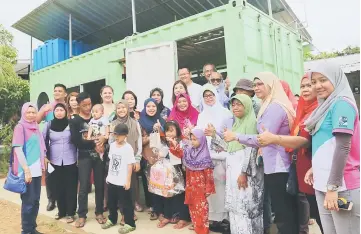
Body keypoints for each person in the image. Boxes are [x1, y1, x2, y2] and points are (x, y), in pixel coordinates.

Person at [259, 63, 360, 234]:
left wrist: (333, 187)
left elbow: (343, 147)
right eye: (314, 82)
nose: (317, 86)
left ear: (336, 79)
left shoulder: (341, 105)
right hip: (323, 182)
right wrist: (316, 167)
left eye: (323, 80)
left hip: (341, 185)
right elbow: (327, 145)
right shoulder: (324, 108)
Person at [223, 72, 298, 234]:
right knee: (282, 211)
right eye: (255, 84)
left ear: (271, 85)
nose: (256, 88)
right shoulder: (268, 105)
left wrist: (236, 136)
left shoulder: (275, 107)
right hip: (272, 165)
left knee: (284, 213)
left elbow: (264, 138)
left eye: (260, 84)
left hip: (279, 165)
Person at [257, 74, 324, 234]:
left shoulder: (319, 110)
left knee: (318, 214)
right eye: (303, 86)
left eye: (310, 85)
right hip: (301, 167)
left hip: (316, 169)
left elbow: (303, 140)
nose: (306, 89)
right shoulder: (301, 110)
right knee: (307, 211)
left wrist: (273, 139)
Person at [209, 94, 264, 234]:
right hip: (233, 172)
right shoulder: (235, 125)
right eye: (233, 105)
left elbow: (251, 150)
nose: (235, 107)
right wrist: (214, 134)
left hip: (246, 174)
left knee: (248, 208)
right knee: (235, 208)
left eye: (239, 104)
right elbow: (228, 148)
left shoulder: (252, 123)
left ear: (247, 106)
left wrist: (244, 173)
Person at [197, 84, 232, 231]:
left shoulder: (226, 113)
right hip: (207, 157)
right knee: (211, 189)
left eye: (211, 95)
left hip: (223, 156)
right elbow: (199, 135)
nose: (209, 98)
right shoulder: (201, 115)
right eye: (205, 96)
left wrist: (214, 133)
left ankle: (226, 219)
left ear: (216, 96)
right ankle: (214, 219)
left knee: (224, 187)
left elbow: (228, 134)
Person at [69, 92, 106, 228]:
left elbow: (105, 133)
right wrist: (94, 144)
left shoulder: (98, 117)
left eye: (89, 104)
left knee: (100, 184)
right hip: (84, 156)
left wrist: (103, 140)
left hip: (99, 156)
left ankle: (99, 212)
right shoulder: (75, 121)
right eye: (84, 105)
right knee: (84, 186)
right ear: (78, 105)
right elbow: (76, 141)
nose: (88, 107)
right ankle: (82, 215)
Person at [13, 103, 46, 234]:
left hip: (37, 169)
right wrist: (26, 170)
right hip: (26, 170)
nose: (31, 115)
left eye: (34, 112)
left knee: (36, 201)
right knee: (28, 201)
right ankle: (26, 230)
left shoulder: (36, 127)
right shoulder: (20, 127)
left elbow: (39, 147)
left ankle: (32, 228)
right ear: (23, 113)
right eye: (28, 112)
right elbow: (18, 149)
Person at [42, 103, 78, 224]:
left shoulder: (71, 123)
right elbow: (43, 141)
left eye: (61, 110)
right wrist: (45, 157)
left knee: (71, 187)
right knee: (57, 186)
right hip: (54, 161)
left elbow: (78, 138)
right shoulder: (49, 124)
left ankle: (70, 213)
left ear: (65, 111)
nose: (59, 112)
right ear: (54, 112)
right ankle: (61, 211)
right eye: (57, 110)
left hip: (71, 159)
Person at [101, 123, 137, 234]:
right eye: (115, 135)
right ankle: (112, 219)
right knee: (111, 202)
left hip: (122, 181)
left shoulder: (128, 148)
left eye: (120, 135)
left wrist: (128, 180)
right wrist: (108, 176)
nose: (117, 137)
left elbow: (130, 165)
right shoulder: (112, 145)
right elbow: (111, 161)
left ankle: (130, 223)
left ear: (125, 135)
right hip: (112, 179)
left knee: (126, 203)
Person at [36, 83, 67, 211]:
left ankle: (64, 199)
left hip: (66, 145)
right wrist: (43, 110)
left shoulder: (68, 106)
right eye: (55, 90)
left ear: (65, 94)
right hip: (49, 145)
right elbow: (36, 120)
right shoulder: (47, 106)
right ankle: (51, 199)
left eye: (60, 91)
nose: (57, 92)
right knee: (50, 173)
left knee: (64, 175)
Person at [155, 121, 190, 229]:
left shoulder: (183, 142)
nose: (169, 133)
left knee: (181, 195)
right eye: (167, 131)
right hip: (168, 172)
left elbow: (183, 157)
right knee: (167, 194)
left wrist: (174, 146)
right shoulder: (165, 142)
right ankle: (168, 215)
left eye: (171, 131)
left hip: (181, 172)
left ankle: (183, 218)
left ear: (177, 131)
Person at [110, 100, 142, 216]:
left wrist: (137, 159)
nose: (121, 110)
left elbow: (139, 142)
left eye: (124, 107)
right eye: (118, 108)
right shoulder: (113, 124)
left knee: (130, 186)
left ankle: (130, 212)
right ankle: (123, 212)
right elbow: (110, 142)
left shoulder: (135, 123)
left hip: (131, 160)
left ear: (128, 109)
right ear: (116, 110)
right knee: (119, 188)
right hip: (118, 161)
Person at [183, 128, 215, 234]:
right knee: (192, 208)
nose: (192, 142)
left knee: (202, 210)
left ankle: (203, 231)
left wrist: (208, 189)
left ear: (201, 140)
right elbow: (180, 152)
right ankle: (197, 228)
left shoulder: (205, 156)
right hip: (191, 187)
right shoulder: (190, 152)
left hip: (201, 189)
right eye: (191, 139)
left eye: (195, 139)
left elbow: (209, 175)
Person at [139, 98, 166, 219]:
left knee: (161, 182)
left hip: (161, 156)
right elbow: (138, 141)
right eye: (148, 106)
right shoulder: (140, 122)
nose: (151, 108)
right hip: (147, 156)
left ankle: (162, 209)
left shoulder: (161, 120)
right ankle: (153, 208)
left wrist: (160, 130)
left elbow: (166, 138)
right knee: (149, 183)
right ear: (145, 108)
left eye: (153, 106)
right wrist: (152, 134)